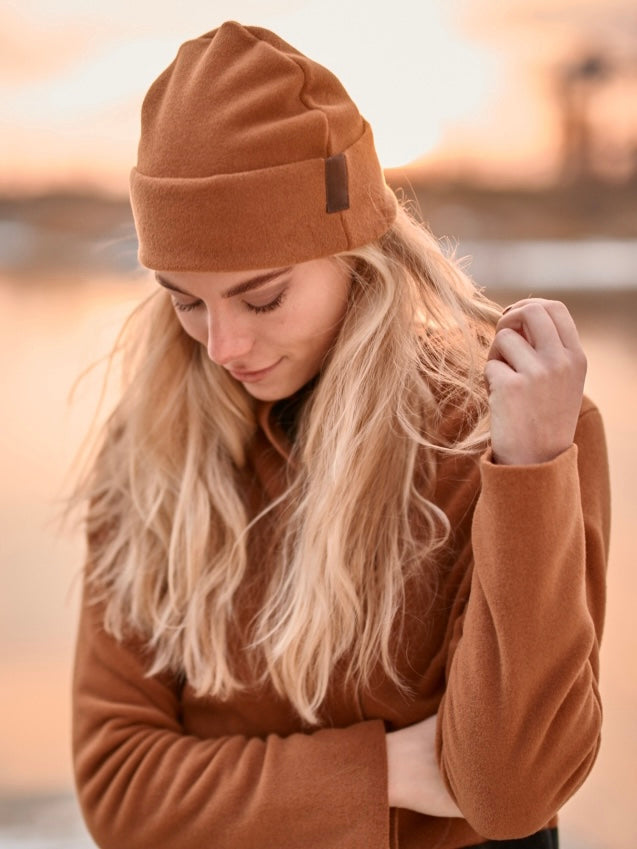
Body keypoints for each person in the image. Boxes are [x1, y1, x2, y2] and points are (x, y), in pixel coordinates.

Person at [71, 21, 610, 849]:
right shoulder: (149, 447)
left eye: (261, 297)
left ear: (357, 250)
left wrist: (531, 470)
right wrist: (382, 771)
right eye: (185, 300)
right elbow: (118, 788)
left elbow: (509, 793)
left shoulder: (500, 432)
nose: (223, 346)